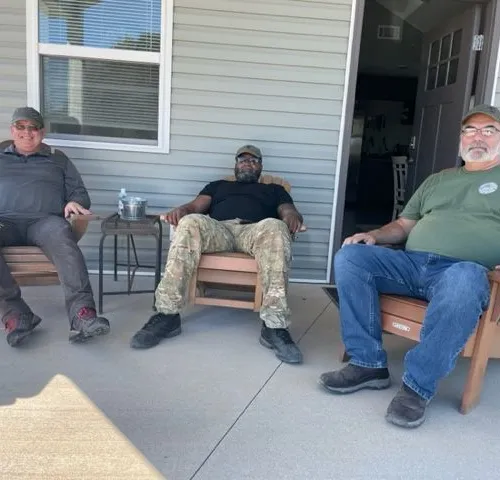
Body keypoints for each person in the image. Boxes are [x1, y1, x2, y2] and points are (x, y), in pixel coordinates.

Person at [319, 104, 500, 428]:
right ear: (461, 138)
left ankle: (418, 387)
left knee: (463, 277)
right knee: (351, 257)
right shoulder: (438, 180)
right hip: (411, 264)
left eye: (489, 130)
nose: (478, 137)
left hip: (464, 271)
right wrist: (373, 235)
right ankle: (368, 363)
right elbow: (403, 226)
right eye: (470, 130)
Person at [131, 145, 305, 364]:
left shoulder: (274, 190)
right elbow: (195, 206)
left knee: (276, 227)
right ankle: (167, 315)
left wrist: (291, 216)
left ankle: (274, 326)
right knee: (190, 222)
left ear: (261, 166)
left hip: (255, 231)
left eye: (253, 161)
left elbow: (287, 210)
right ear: (235, 165)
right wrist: (182, 211)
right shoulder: (218, 186)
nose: (248, 163)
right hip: (219, 230)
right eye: (243, 160)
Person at [0, 107, 110, 346]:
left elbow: (80, 193)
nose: (27, 133)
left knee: (62, 235)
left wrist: (75, 202)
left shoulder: (58, 159)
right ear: (12, 130)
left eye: (33, 128)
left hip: (45, 222)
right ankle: (16, 313)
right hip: (3, 222)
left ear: (42, 132)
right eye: (21, 126)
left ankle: (83, 316)